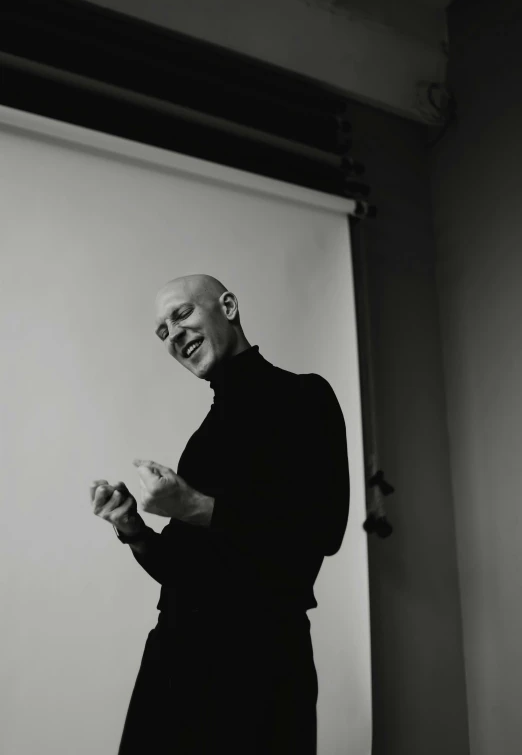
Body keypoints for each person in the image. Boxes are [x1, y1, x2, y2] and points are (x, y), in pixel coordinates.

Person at [90, 274, 350, 754]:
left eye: (182, 314)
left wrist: (194, 505)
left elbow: (323, 529)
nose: (173, 335)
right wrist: (132, 526)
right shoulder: (203, 439)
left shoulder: (304, 397)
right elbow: (183, 571)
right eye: (162, 332)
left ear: (227, 306)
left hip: (259, 664)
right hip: (173, 661)